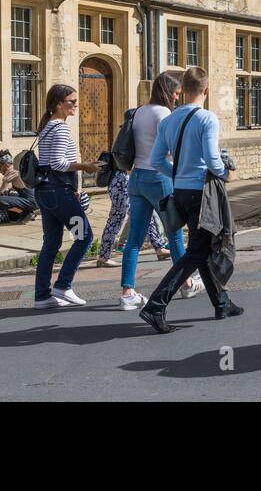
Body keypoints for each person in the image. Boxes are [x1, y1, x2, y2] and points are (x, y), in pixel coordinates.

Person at [139, 67, 243, 333]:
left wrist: (176, 173)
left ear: (183, 90)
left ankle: (222, 303)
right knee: (197, 251)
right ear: (205, 90)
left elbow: (156, 161)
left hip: (179, 191)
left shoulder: (169, 120)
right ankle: (155, 305)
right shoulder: (207, 118)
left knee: (204, 248)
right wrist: (226, 173)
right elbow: (211, 159)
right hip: (202, 193)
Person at [118, 72, 202, 310]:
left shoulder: (140, 111)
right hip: (159, 178)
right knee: (174, 233)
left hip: (136, 178)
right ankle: (186, 284)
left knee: (134, 238)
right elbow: (171, 150)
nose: (177, 98)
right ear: (167, 91)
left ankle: (128, 293)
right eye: (175, 94)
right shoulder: (164, 114)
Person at [31, 84, 102, 308]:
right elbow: (58, 163)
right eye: (71, 101)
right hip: (60, 194)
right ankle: (63, 285)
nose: (75, 105)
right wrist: (86, 167)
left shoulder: (47, 127)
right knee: (84, 237)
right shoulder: (60, 128)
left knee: (51, 243)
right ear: (58, 104)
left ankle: (42, 296)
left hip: (45, 192)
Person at [97, 93, 171, 275]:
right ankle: (104, 256)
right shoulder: (132, 135)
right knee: (119, 218)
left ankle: (159, 247)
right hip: (122, 180)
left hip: (124, 180)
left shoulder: (128, 133)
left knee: (144, 216)